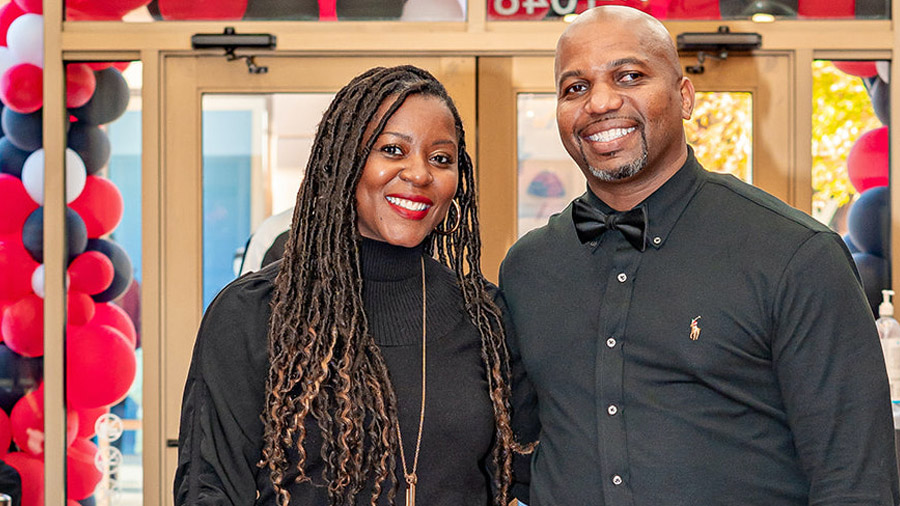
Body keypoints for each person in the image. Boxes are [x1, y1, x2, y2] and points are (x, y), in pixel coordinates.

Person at [499, 6, 900, 505]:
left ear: (684, 97)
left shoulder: (796, 255)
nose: (600, 101)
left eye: (629, 76)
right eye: (574, 87)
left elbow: (855, 481)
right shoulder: (527, 268)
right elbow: (519, 450)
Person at [175, 65, 531, 505]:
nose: (419, 173)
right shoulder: (253, 314)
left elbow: (532, 470)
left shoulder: (484, 317)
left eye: (441, 158)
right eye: (392, 149)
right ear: (344, 162)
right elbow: (209, 490)